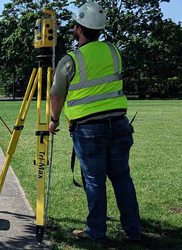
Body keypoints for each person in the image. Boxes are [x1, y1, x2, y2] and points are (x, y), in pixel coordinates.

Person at [48, 2, 141, 242]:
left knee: (94, 181)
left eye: (75, 25)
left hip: (89, 130)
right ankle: (134, 231)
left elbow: (57, 95)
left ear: (79, 29)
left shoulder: (71, 60)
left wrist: (53, 120)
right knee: (122, 178)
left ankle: (96, 232)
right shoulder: (114, 51)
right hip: (119, 125)